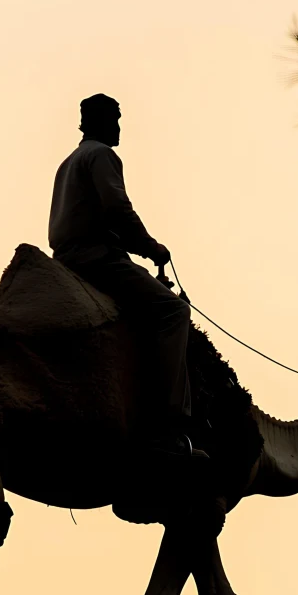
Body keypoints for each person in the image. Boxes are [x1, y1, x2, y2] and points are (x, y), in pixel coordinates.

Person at [49, 93, 205, 460]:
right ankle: (169, 428)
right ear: (100, 121)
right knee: (173, 313)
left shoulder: (69, 162)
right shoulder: (102, 155)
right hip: (96, 259)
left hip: (69, 258)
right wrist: (151, 247)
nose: (119, 126)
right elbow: (118, 209)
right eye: (115, 119)